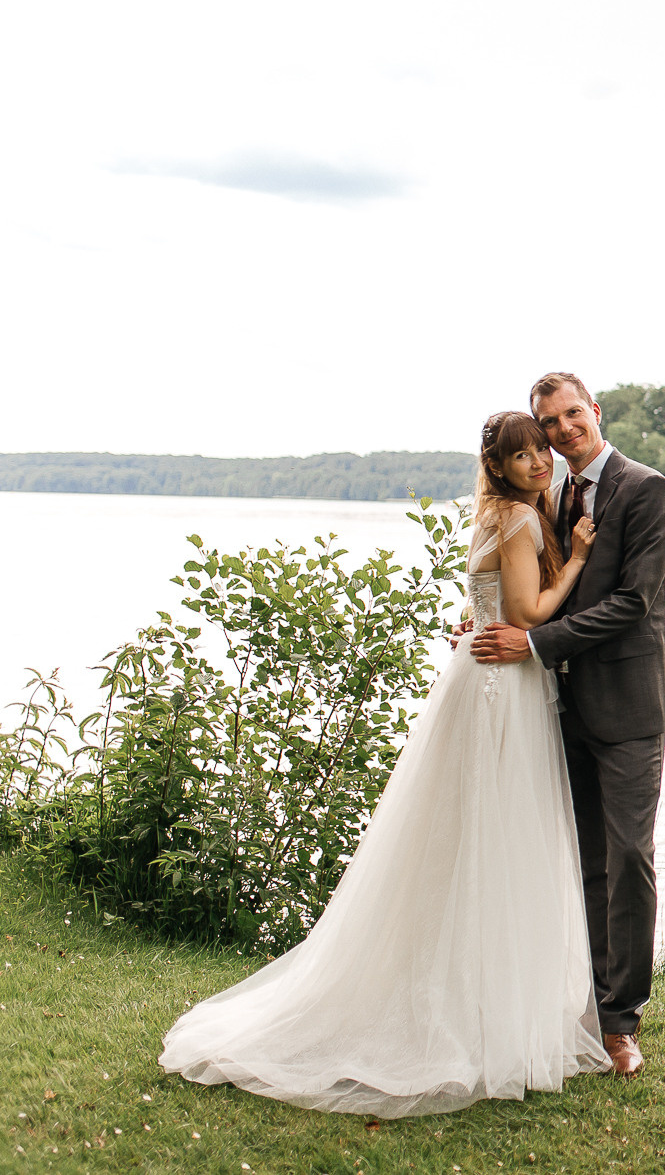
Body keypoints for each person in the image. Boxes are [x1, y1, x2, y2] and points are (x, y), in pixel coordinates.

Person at [159, 412, 611, 1116]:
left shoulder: (494, 513)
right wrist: (578, 558)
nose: (537, 464)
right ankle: (483, 1009)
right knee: (500, 839)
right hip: (503, 684)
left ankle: (469, 991)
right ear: (499, 464)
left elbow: (488, 603)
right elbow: (524, 613)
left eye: (541, 452)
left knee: (464, 839)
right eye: (522, 456)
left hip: (477, 679)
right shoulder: (522, 521)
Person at [470, 372, 665, 1081]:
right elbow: (535, 589)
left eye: (570, 415)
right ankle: (587, 1003)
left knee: (628, 858)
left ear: (595, 411)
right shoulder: (550, 495)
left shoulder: (645, 488)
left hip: (627, 705)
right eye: (548, 423)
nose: (562, 431)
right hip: (559, 704)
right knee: (581, 859)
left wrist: (528, 644)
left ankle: (622, 1022)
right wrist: (489, 621)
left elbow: (632, 602)